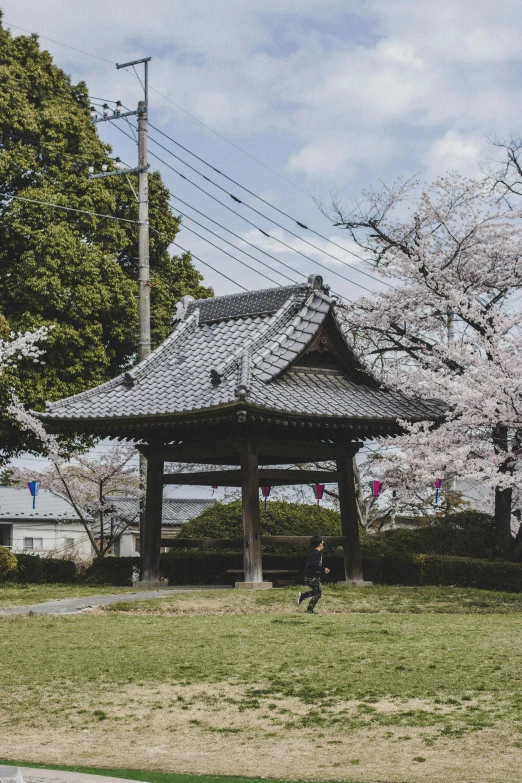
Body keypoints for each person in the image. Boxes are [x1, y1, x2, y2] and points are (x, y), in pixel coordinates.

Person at [296, 535, 330, 614]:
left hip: (309, 576)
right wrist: (324, 569)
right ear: (319, 544)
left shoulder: (314, 552)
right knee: (318, 593)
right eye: (322, 541)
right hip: (311, 577)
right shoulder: (317, 553)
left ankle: (304, 599)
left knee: (316, 592)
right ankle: (309, 609)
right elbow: (314, 565)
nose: (323, 543)